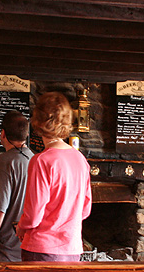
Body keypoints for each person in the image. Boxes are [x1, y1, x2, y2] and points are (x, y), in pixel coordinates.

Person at [17, 92, 92, 262]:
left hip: (41, 249)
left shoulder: (41, 161)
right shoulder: (80, 159)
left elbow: (34, 214)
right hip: (72, 250)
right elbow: (85, 210)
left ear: (37, 122)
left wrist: (21, 227)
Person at [0, 110, 33, 261]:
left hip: (3, 251)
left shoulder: (2, 163)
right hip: (26, 247)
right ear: (26, 135)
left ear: (3, 133)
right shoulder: (35, 160)